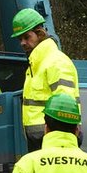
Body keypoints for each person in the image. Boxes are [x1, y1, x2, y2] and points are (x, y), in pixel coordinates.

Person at [11, 8, 80, 147]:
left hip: (56, 140)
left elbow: (66, 105)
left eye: (26, 37)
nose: (22, 43)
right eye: (20, 39)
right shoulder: (36, 65)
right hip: (42, 140)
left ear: (40, 34)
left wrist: (57, 137)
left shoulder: (56, 62)